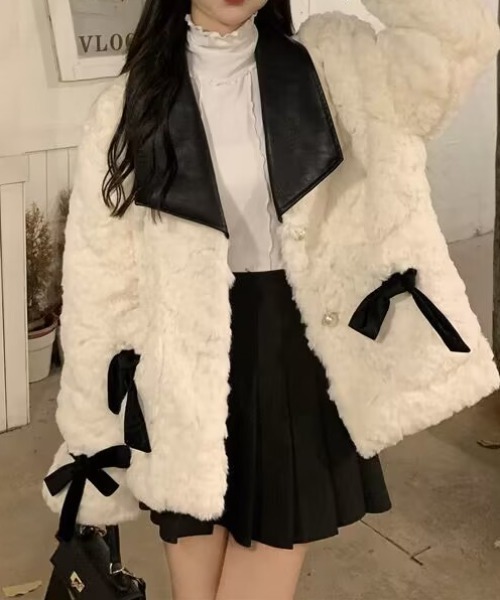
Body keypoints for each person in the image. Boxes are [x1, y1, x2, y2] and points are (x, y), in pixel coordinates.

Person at [43, 0, 500, 598]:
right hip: (180, 375)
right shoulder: (129, 104)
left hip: (291, 357)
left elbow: (457, 40)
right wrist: (93, 437)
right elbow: (99, 289)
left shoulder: (333, 63)